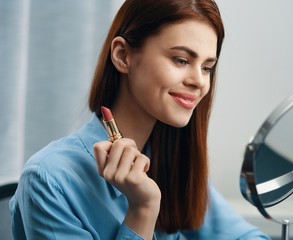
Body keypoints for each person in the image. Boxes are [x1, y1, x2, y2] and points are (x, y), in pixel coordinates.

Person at [10, 0, 271, 239]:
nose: (199, 81)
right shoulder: (50, 180)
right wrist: (143, 209)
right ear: (123, 55)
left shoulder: (177, 165)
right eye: (181, 60)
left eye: (207, 67)